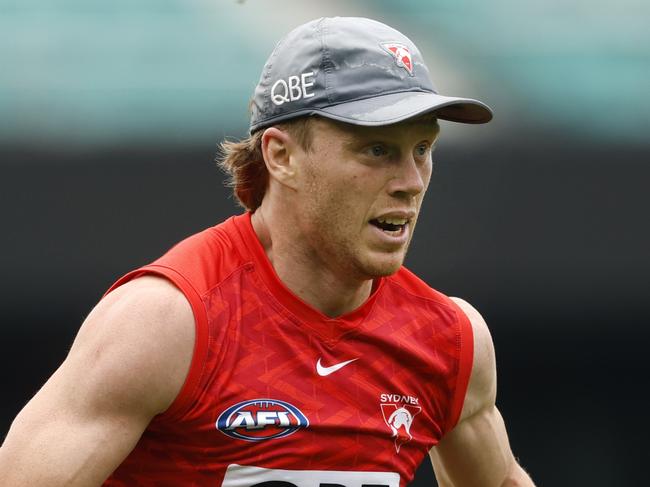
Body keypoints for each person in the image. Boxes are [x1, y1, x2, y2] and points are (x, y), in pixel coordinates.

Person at [0, 17, 535, 487]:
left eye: (423, 149)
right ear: (281, 155)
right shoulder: (168, 322)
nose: (411, 181)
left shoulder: (447, 340)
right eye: (377, 149)